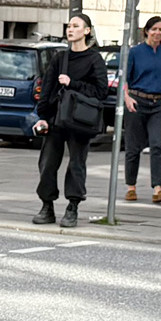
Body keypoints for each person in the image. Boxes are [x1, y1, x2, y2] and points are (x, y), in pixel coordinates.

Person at [33, 12, 110, 227]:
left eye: (76, 26)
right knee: (47, 163)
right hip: (56, 118)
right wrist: (43, 117)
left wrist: (73, 83)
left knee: (76, 164)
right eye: (69, 26)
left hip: (79, 121)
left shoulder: (94, 59)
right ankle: (47, 205)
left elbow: (101, 91)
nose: (70, 29)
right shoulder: (60, 58)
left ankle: (72, 207)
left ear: (86, 31)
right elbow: (47, 88)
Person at [122, 16, 161, 204]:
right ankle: (131, 187)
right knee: (133, 147)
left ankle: (158, 188)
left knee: (157, 145)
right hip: (137, 101)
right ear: (146, 31)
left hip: (158, 105)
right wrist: (127, 98)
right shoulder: (135, 52)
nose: (157, 33)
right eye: (154, 29)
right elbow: (125, 78)